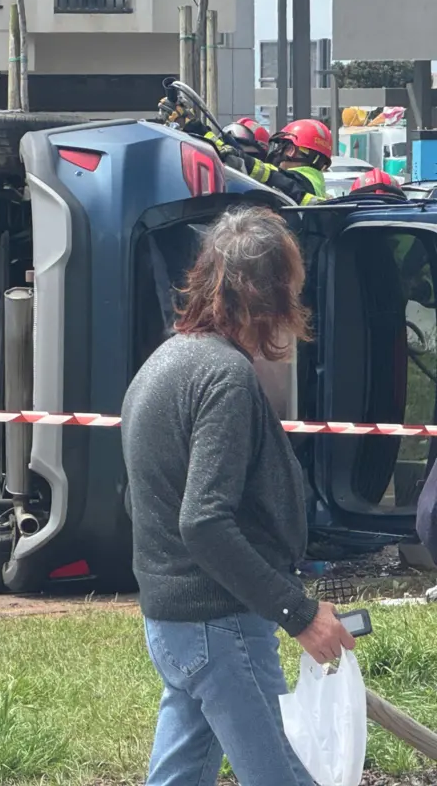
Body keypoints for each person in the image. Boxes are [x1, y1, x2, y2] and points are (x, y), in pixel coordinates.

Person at [121, 206, 358, 786]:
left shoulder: (163, 364)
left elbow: (143, 500)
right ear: (272, 295)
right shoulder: (224, 377)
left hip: (175, 625)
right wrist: (299, 614)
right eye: (293, 290)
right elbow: (203, 522)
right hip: (219, 624)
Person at [243, 119, 332, 205]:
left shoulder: (296, 180)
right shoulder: (316, 182)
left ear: (291, 150)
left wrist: (240, 157)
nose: (277, 152)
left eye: (281, 146)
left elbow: (274, 175)